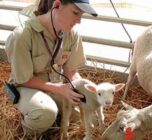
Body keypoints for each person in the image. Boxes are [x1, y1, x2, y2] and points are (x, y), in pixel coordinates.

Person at [5, 0, 97, 138]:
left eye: (81, 15)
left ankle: (51, 121)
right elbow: (24, 79)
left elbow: (71, 72)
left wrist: (83, 90)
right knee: (45, 112)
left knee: (87, 114)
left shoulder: (72, 34)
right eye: (75, 13)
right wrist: (60, 89)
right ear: (57, 5)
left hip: (55, 86)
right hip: (25, 87)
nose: (78, 21)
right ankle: (27, 133)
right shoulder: (22, 35)